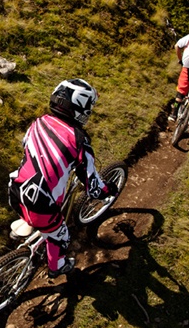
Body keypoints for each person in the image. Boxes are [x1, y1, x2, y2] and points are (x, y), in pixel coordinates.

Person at [8, 79, 117, 278]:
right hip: (42, 205)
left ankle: (29, 223)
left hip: (15, 189)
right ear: (80, 108)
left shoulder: (39, 122)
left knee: (41, 218)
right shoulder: (79, 141)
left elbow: (27, 147)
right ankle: (56, 266)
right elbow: (93, 188)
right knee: (62, 237)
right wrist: (108, 190)